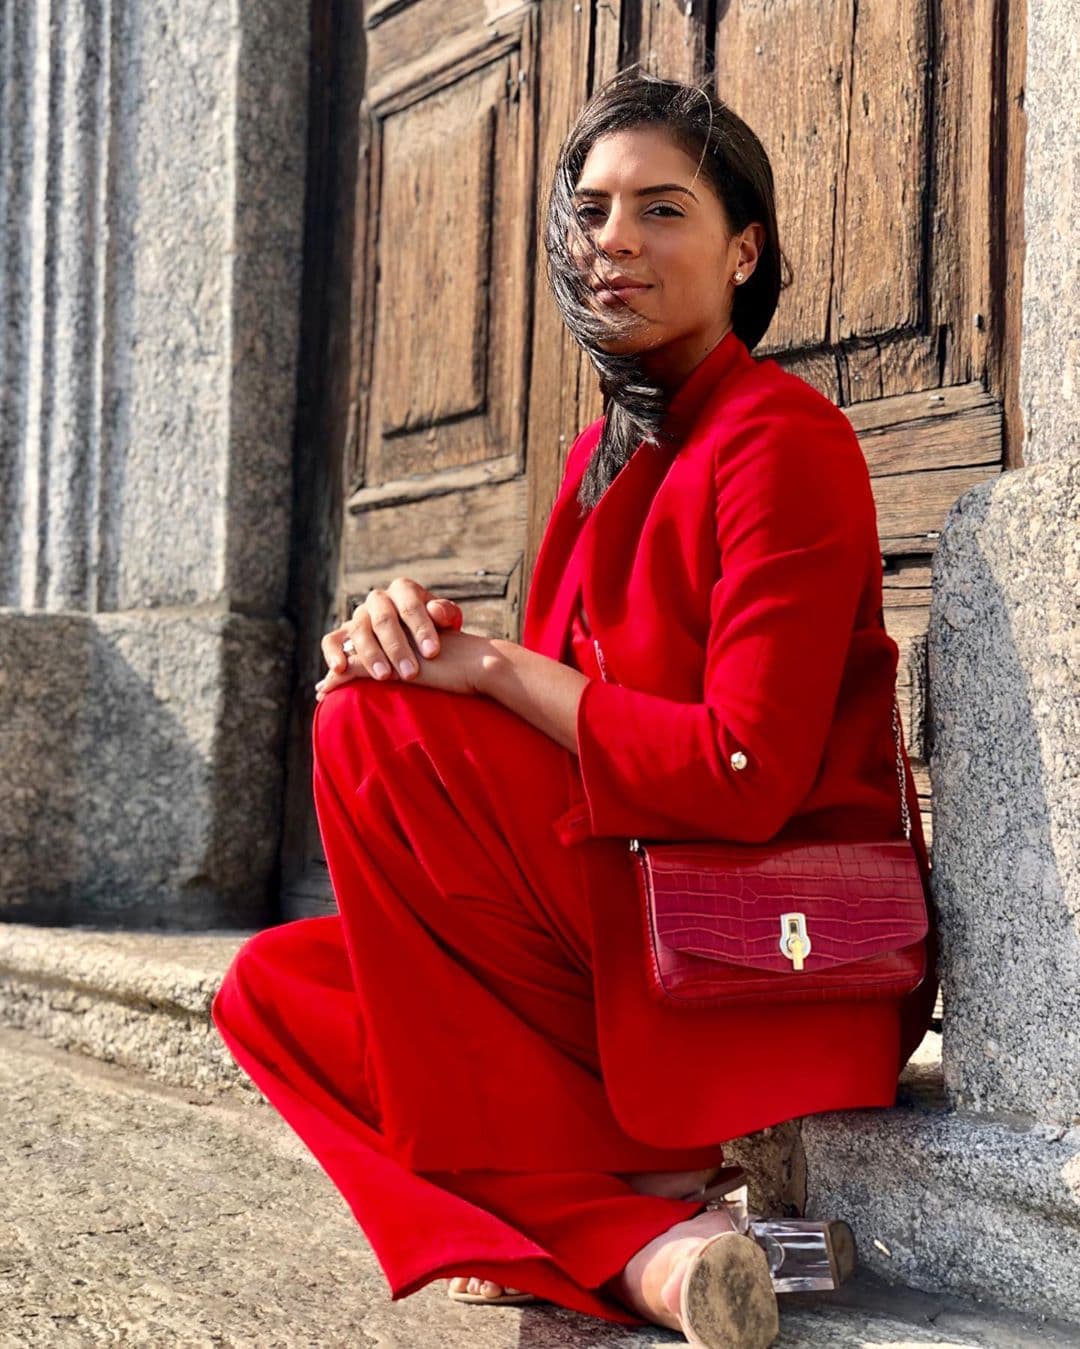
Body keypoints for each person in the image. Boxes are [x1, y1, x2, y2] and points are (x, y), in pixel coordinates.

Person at [212, 69, 939, 1347]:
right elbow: (536, 764)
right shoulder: (606, 467)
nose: (617, 241)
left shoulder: (784, 438)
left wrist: (484, 668)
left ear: (743, 249)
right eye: (593, 211)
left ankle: (597, 1213)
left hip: (763, 954)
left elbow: (741, 769)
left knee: (372, 728)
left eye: (664, 209)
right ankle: (657, 1239)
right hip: (622, 926)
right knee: (270, 988)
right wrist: (405, 643)